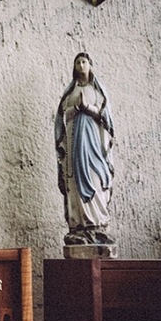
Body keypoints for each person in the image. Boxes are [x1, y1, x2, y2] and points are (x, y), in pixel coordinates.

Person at [54, 51, 114, 246]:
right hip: (74, 145)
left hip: (93, 145)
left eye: (84, 62)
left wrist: (88, 108)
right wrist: (76, 109)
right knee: (74, 182)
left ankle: (97, 225)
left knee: (96, 178)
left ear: (90, 65)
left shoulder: (97, 91)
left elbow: (106, 118)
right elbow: (62, 117)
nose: (81, 66)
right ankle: (79, 226)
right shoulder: (70, 93)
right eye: (78, 62)